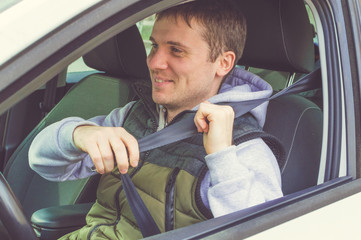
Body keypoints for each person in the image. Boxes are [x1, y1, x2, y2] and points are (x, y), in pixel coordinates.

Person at [29, 0, 283, 239]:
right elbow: (42, 163)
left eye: (176, 50)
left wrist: (221, 157)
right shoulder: (133, 115)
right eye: (154, 46)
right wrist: (80, 134)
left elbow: (265, 232)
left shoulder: (245, 148)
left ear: (223, 63)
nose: (154, 62)